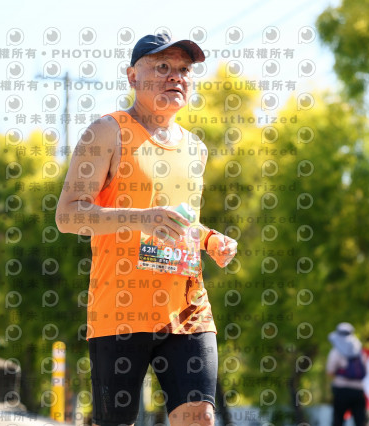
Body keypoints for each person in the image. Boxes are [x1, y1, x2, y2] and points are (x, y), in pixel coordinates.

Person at [55, 33, 237, 426]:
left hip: (186, 308)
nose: (176, 77)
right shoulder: (106, 132)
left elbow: (179, 221)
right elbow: (68, 215)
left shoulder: (196, 149)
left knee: (200, 417)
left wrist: (209, 239)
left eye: (184, 69)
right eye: (162, 66)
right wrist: (139, 218)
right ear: (132, 77)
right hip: (119, 310)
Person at [326, 322, 368, 426]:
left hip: (341, 390)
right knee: (360, 421)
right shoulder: (359, 352)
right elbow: (365, 370)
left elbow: (330, 371)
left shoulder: (336, 352)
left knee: (338, 420)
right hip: (358, 390)